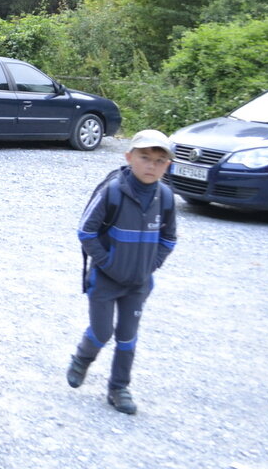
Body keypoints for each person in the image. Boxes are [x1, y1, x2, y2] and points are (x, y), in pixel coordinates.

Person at [67, 129, 178, 414]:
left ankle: (119, 388)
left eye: (159, 160)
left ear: (168, 165)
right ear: (129, 157)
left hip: (139, 284)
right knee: (102, 332)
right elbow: (86, 231)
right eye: (144, 157)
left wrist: (150, 266)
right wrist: (107, 264)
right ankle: (82, 358)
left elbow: (169, 238)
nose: (151, 165)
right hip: (105, 281)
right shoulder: (113, 191)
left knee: (128, 337)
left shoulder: (165, 197)